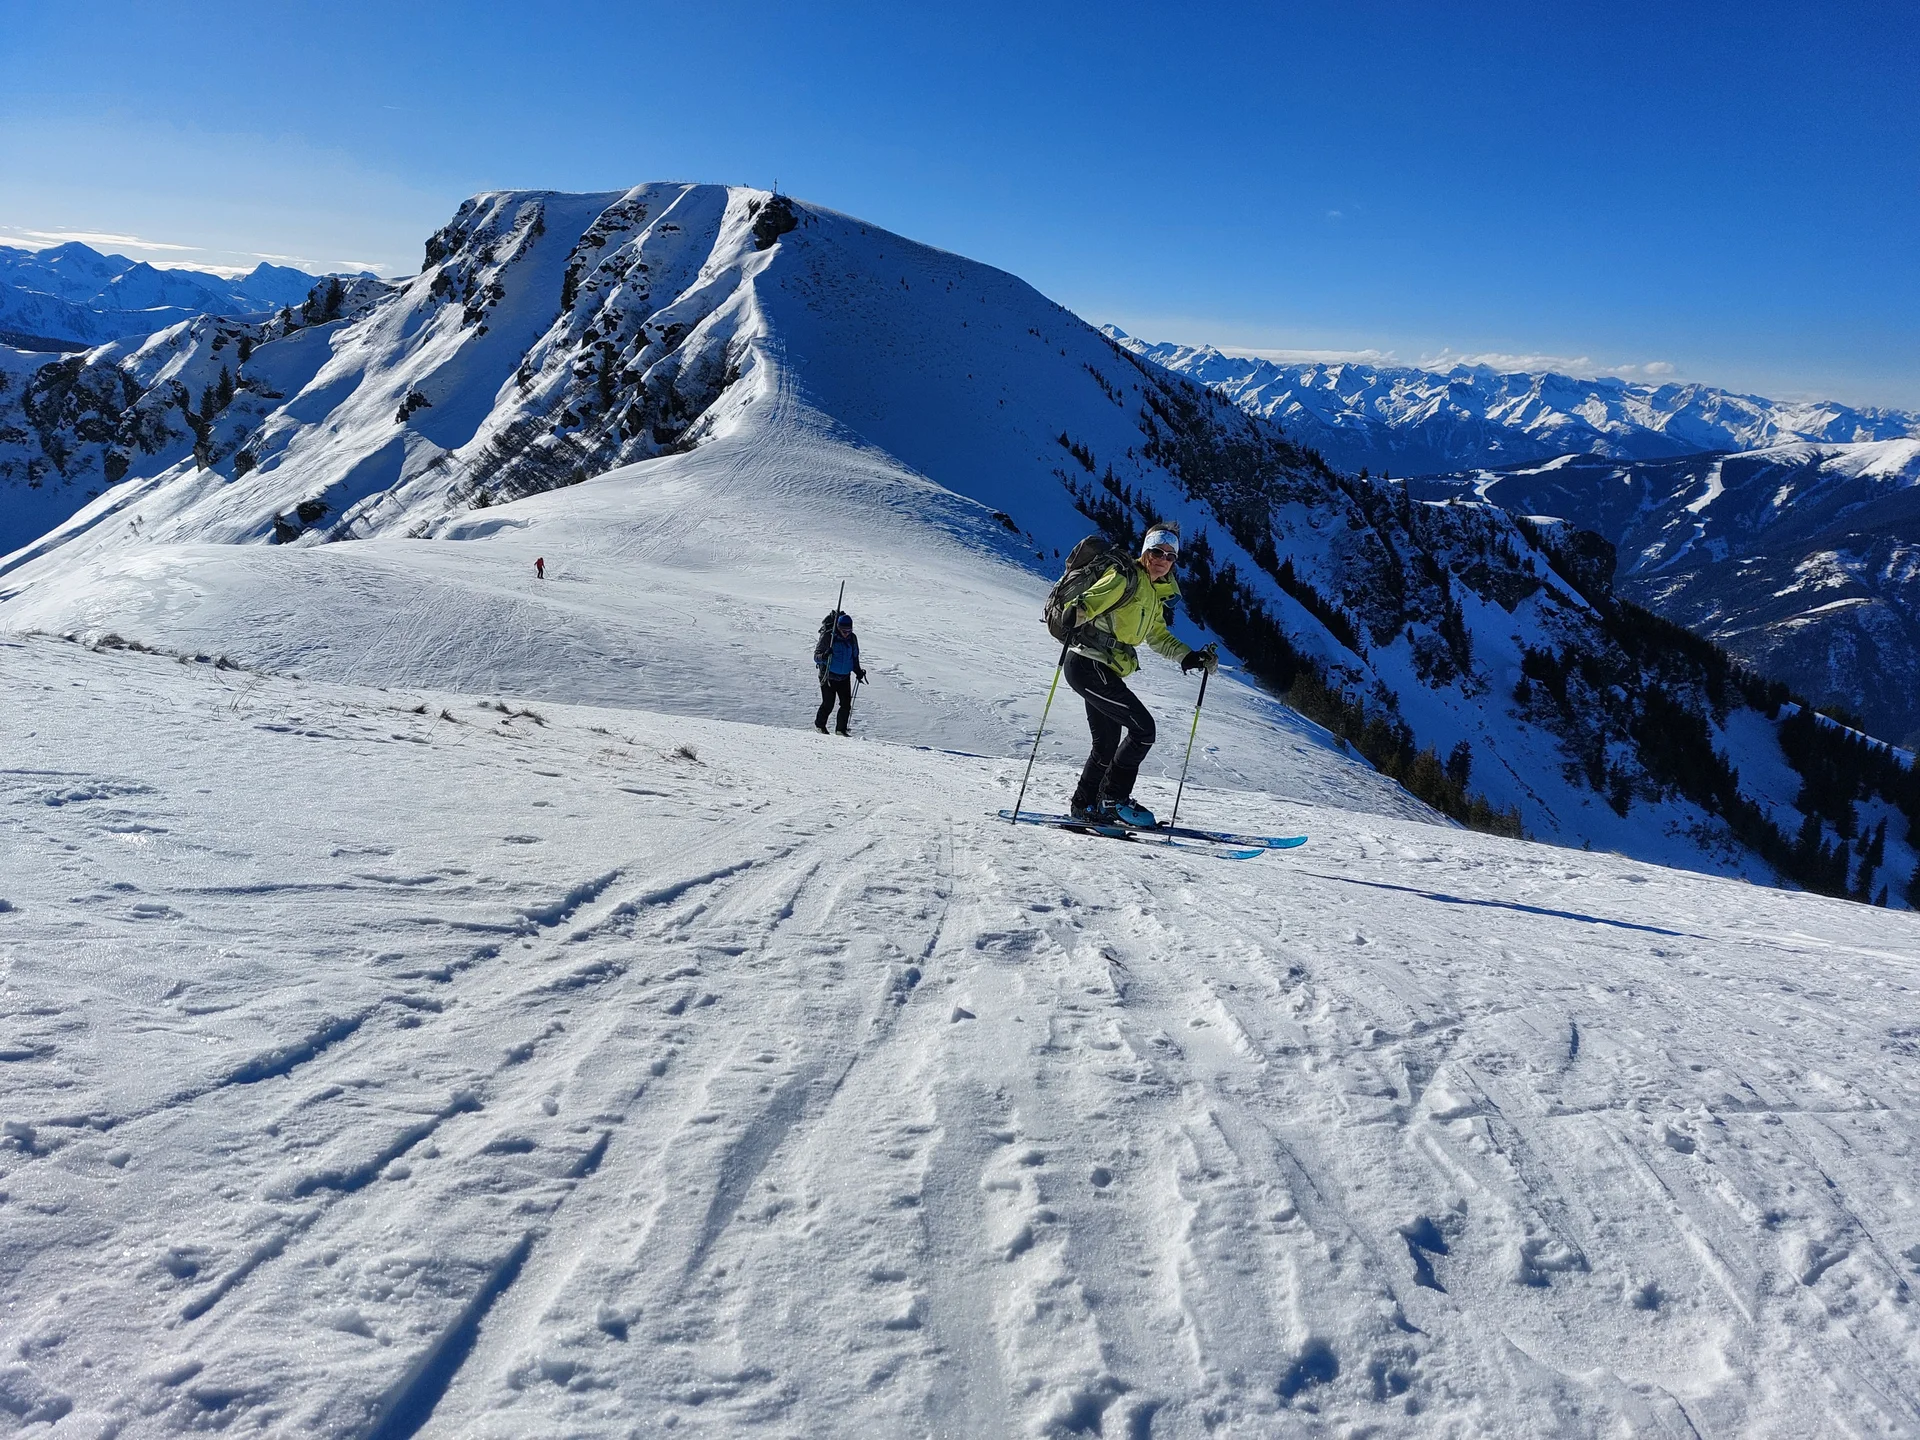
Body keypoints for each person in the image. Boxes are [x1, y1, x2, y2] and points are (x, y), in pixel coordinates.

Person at [1061, 523, 1215, 825]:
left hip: (1103, 668)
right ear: (1146, 551)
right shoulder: (1124, 577)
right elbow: (1093, 598)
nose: (1163, 559)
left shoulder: (1153, 593)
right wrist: (1077, 611)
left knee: (1106, 745)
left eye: (1170, 556)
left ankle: (1086, 806)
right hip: (1087, 665)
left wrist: (1189, 657)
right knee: (1143, 730)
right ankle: (1113, 799)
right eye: (1157, 551)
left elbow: (1157, 637)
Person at [813, 611, 867, 735]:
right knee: (828, 703)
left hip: (844, 676)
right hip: (828, 675)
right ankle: (820, 726)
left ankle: (840, 730)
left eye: (849, 631)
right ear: (838, 627)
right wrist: (824, 655)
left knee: (846, 704)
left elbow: (854, 657)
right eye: (844, 631)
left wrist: (858, 671)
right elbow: (816, 656)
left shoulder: (852, 638)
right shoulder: (829, 637)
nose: (846, 633)